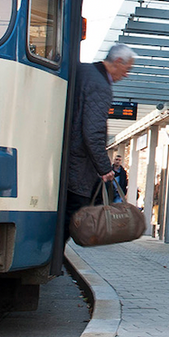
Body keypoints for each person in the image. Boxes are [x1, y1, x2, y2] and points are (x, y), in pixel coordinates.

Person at [65, 44, 133, 223]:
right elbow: (93, 131)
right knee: (74, 216)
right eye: (127, 69)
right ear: (118, 61)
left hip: (68, 160)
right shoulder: (101, 86)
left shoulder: (84, 71)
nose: (127, 74)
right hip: (79, 166)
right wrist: (104, 168)